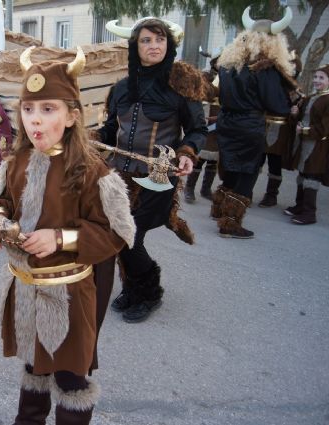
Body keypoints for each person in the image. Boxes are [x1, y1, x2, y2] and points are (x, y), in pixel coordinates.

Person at [0, 46, 135, 424]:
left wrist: (60, 239)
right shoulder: (15, 162)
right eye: (29, 109)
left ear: (72, 116)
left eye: (48, 109)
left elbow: (115, 233)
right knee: (34, 367)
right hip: (26, 289)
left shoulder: (91, 171)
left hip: (69, 295)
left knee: (70, 377)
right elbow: (2, 200)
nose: (35, 120)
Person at [96, 18, 208, 323]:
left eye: (159, 40)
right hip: (119, 178)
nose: (154, 46)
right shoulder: (121, 88)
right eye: (146, 40)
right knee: (119, 236)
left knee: (130, 237)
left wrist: (187, 152)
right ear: (136, 47)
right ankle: (133, 289)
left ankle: (150, 292)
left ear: (168, 45)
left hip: (158, 178)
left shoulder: (179, 86)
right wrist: (91, 138)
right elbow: (109, 129)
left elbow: (198, 129)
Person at [212, 6, 296, 238]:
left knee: (230, 167)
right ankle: (230, 224)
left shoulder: (228, 65)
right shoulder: (263, 69)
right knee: (247, 173)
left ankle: (219, 209)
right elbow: (277, 105)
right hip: (249, 125)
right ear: (272, 42)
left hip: (226, 122)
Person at [257, 51, 303, 208]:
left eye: (292, 68)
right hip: (263, 126)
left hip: (281, 130)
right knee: (256, 161)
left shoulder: (295, 92)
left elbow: (299, 115)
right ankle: (246, 191)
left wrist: (295, 113)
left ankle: (271, 196)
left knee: (275, 163)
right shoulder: (271, 84)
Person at [284, 64, 329, 224]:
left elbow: (325, 128)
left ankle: (310, 213)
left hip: (318, 146)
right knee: (302, 174)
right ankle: (300, 206)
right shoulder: (311, 97)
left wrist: (305, 131)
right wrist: (295, 114)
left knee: (311, 176)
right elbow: (302, 119)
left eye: (321, 78)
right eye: (316, 77)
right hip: (304, 144)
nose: (317, 80)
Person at [184, 47, 221, 203]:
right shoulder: (204, 76)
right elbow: (205, 95)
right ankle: (189, 189)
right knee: (200, 157)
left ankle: (206, 189)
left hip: (220, 119)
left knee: (213, 159)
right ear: (214, 62)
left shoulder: (228, 77)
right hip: (205, 119)